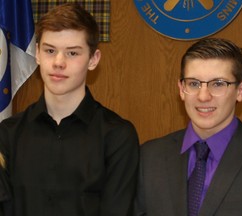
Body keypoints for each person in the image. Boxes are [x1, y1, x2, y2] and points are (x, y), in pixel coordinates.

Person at [0, 3, 139, 216]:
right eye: (50, 50)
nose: (58, 62)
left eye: (72, 53)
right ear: (37, 54)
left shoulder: (118, 136)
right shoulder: (7, 134)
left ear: (93, 60)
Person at [134, 38, 242, 216]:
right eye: (193, 83)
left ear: (241, 91)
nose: (203, 96)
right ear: (181, 89)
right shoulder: (150, 156)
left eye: (218, 84)